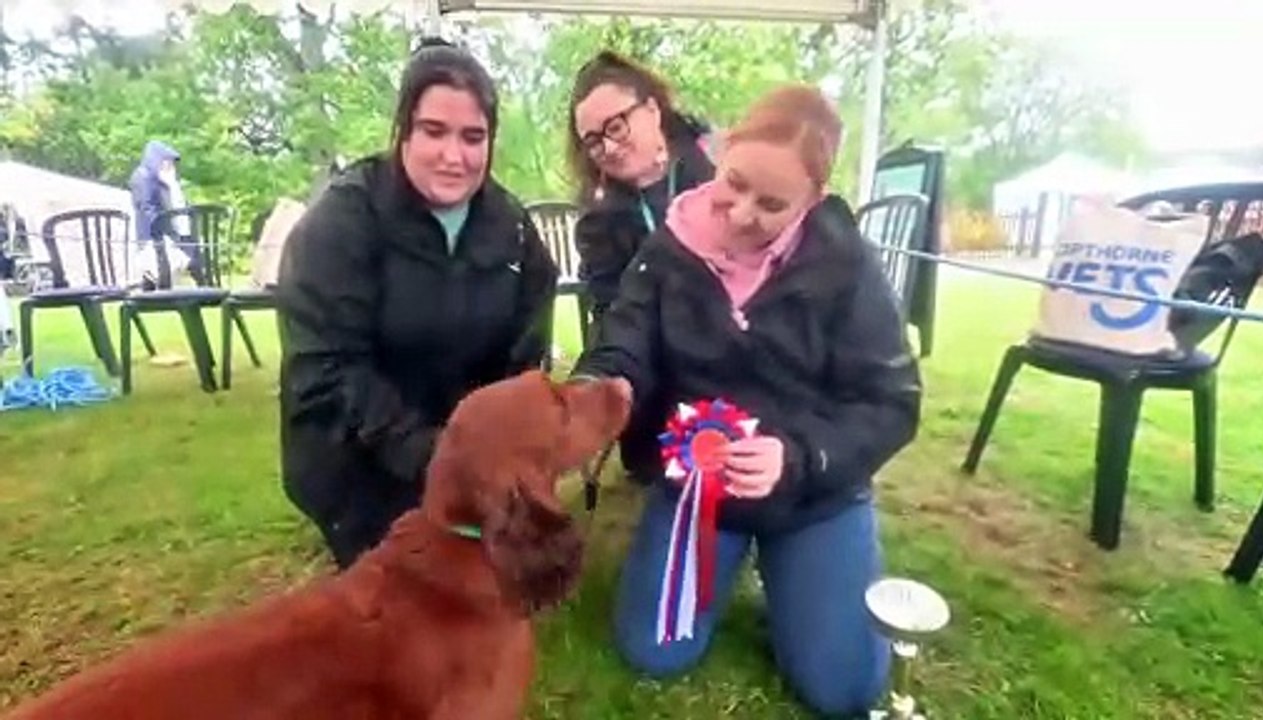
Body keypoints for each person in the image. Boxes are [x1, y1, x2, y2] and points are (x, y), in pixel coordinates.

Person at [572, 84, 922, 716]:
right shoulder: (668, 247)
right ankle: (751, 569)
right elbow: (622, 340)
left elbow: (892, 401)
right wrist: (606, 387)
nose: (738, 214)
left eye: (772, 203)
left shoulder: (847, 265)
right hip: (697, 492)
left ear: (814, 199)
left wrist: (797, 457)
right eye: (734, 183)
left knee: (842, 692)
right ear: (722, 149)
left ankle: (806, 575)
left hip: (814, 495)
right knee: (653, 653)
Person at [274, 38, 559, 569]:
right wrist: (431, 456)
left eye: (473, 137)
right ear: (403, 129)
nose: (454, 156)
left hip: (469, 456)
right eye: (434, 131)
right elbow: (330, 370)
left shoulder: (514, 229)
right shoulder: (341, 223)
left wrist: (506, 457)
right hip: (361, 459)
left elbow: (525, 361)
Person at [568, 50, 717, 482]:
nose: (608, 147)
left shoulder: (721, 175)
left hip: (733, 374)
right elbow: (612, 318)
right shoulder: (598, 222)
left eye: (615, 126)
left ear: (652, 108)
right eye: (593, 140)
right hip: (653, 388)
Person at [128, 140, 195, 289]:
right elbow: (147, 209)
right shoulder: (143, 177)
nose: (169, 166)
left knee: (185, 261)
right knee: (160, 271)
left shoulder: (166, 181)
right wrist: (167, 231)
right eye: (166, 162)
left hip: (171, 235)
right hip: (153, 236)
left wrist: (173, 186)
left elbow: (181, 206)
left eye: (171, 163)